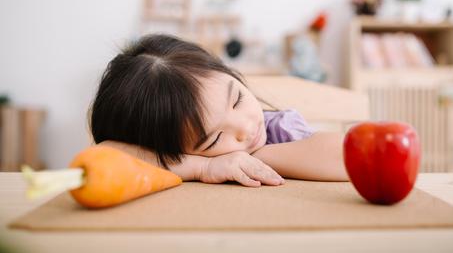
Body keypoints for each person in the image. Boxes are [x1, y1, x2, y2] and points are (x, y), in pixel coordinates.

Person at [91, 34, 349, 187]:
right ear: (175, 150)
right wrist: (203, 168)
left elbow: (346, 156)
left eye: (237, 99)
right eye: (214, 138)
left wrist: (256, 157)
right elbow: (104, 155)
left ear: (232, 74)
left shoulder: (280, 129)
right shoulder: (193, 163)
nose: (245, 128)